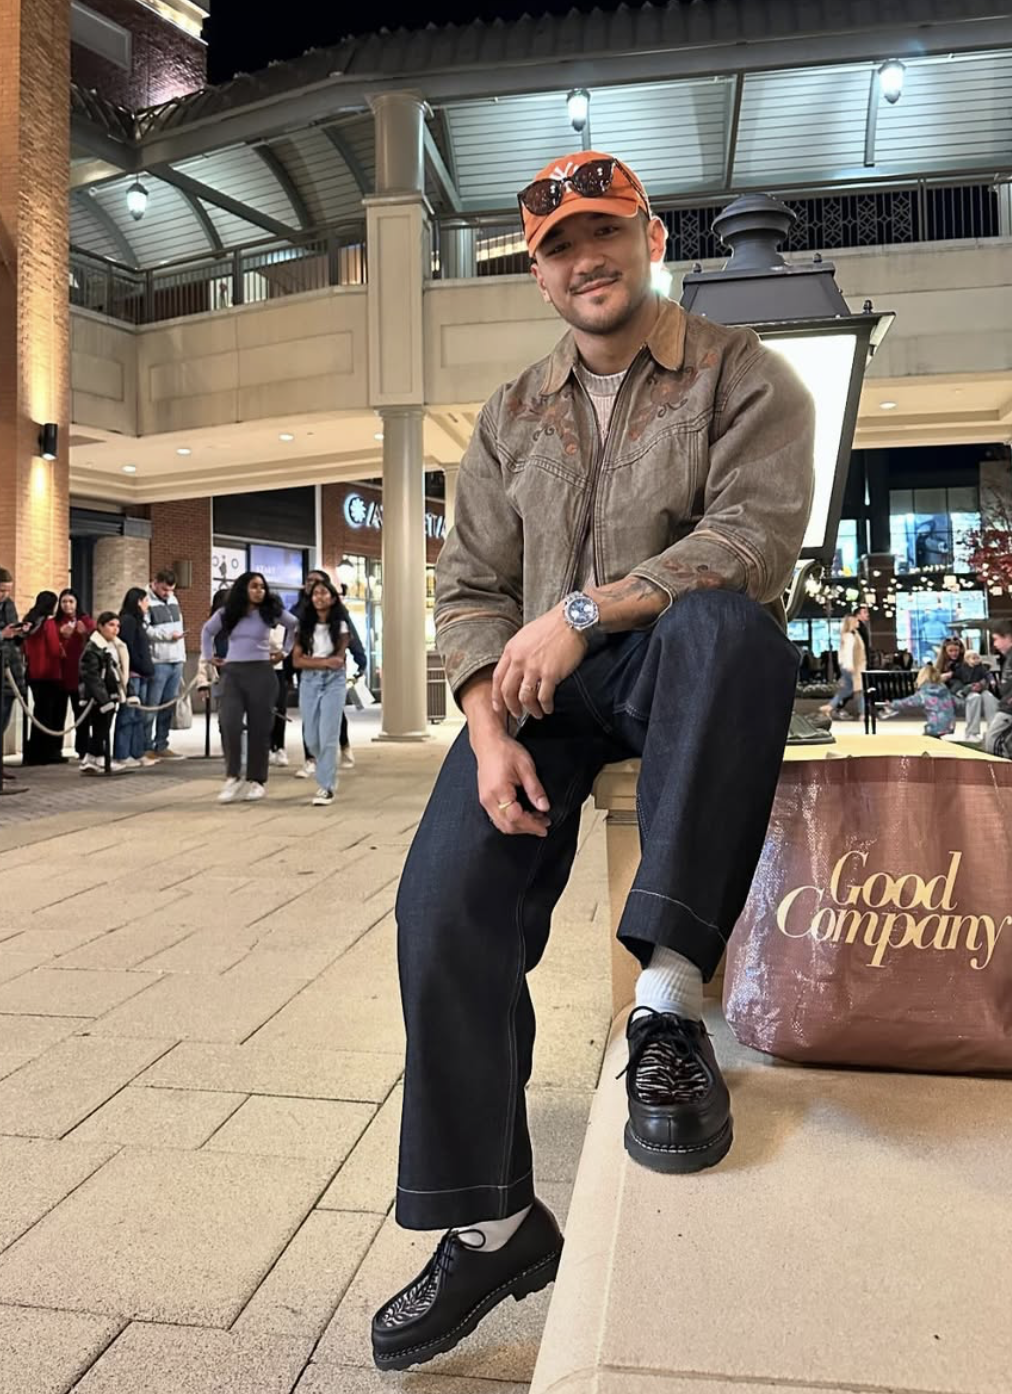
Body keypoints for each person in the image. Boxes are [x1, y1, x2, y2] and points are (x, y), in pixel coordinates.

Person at [370, 149, 815, 1371]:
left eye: (603, 232)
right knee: (441, 900)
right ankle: (492, 1223)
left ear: (649, 237)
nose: (583, 260)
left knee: (731, 627)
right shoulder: (510, 413)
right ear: (539, 274)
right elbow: (469, 587)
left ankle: (667, 1007)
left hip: (671, 661)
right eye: (557, 247)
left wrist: (581, 612)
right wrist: (485, 726)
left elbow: (752, 538)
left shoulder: (742, 373)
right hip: (537, 696)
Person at [200, 572, 297, 803]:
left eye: (262, 587)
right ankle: (233, 776)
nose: (259, 591)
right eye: (254, 586)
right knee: (229, 723)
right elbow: (207, 631)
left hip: (262, 672)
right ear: (243, 589)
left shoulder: (270, 611)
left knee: (260, 728)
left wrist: (284, 652)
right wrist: (208, 656)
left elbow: (295, 625)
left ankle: (257, 781)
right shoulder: (228, 612)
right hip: (233, 673)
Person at [293, 579, 350, 806]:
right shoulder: (303, 626)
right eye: (315, 593)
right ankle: (326, 770)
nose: (319, 597)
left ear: (333, 598)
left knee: (328, 735)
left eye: (324, 593)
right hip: (309, 682)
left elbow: (338, 660)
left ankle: (326, 786)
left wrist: (316, 661)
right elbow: (297, 660)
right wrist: (324, 662)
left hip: (334, 683)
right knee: (311, 738)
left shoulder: (341, 626)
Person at [78, 612, 134, 774]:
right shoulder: (93, 648)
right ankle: (97, 757)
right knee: (100, 726)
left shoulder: (117, 645)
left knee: (103, 727)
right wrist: (103, 699)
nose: (115, 629)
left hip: (112, 691)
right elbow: (92, 676)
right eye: (111, 625)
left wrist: (128, 691)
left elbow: (121, 670)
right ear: (100, 626)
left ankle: (93, 758)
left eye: (117, 626)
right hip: (97, 696)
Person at [291, 568, 331, 781]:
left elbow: (348, 636)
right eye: (308, 581)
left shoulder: (336, 611)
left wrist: (360, 660)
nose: (310, 584)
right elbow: (291, 638)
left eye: (315, 581)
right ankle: (311, 759)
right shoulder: (299, 610)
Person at [144, 570, 186, 761]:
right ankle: (146, 746)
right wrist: (167, 636)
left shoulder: (173, 600)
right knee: (152, 706)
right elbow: (146, 629)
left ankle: (162, 743)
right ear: (154, 583)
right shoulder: (146, 601)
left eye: (171, 590)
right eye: (164, 589)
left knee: (168, 705)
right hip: (159, 660)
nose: (167, 593)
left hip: (176, 659)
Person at [21, 591, 67, 766]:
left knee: (39, 713)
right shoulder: (48, 623)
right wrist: (62, 648)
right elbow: (54, 649)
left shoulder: (30, 621)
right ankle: (45, 753)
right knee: (47, 715)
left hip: (34, 672)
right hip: (50, 673)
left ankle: (34, 751)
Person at [115, 588, 155, 767]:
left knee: (139, 716)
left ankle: (137, 752)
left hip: (142, 674)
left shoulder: (139, 621)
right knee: (128, 715)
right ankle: (122, 753)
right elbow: (128, 649)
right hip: (132, 675)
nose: (148, 605)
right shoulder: (128, 621)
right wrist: (141, 666)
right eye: (146, 601)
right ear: (138, 601)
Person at [55, 589, 96, 762]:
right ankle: (55, 750)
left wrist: (84, 633)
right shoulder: (56, 622)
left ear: (77, 603)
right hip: (60, 674)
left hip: (80, 674)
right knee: (58, 714)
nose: (67, 605)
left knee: (82, 715)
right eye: (64, 602)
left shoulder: (85, 621)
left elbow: (95, 640)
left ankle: (83, 749)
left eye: (71, 601)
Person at [880, 663, 956, 737]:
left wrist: (893, 704)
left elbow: (908, 702)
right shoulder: (944, 690)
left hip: (935, 725)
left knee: (928, 737)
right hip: (950, 724)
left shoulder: (925, 693)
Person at [338, 582, 367, 769]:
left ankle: (344, 745)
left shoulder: (340, 616)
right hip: (309, 673)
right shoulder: (305, 614)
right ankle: (311, 757)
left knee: (335, 713)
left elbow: (353, 639)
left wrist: (361, 663)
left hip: (334, 673)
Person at [0, 568, 26, 756]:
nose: (4, 595)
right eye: (1, 590)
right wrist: (2, 634)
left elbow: (14, 639)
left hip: (10, 668)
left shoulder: (9, 606)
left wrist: (20, 631)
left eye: (8, 590)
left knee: (4, 719)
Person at [820, 615, 866, 721]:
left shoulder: (851, 635)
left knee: (849, 689)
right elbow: (848, 652)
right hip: (852, 667)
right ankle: (862, 714)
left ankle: (830, 706)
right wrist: (850, 666)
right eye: (856, 621)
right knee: (858, 690)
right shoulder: (849, 636)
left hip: (850, 667)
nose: (858, 622)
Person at [980, 619, 1012, 755]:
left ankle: (997, 768)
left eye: (996, 639)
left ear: (1008, 637)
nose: (995, 644)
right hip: (1006, 706)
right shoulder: (1008, 657)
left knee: (992, 739)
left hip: (1009, 709)